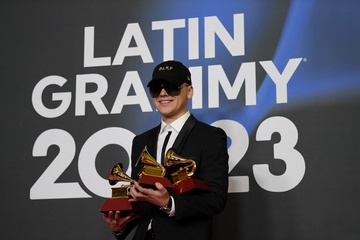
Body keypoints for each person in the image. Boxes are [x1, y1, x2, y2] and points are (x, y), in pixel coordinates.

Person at [103, 60, 229, 240]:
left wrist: (169, 203)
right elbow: (144, 200)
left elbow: (216, 199)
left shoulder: (210, 137)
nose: (163, 93)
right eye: (156, 88)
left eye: (171, 86)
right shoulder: (140, 141)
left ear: (189, 91)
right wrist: (120, 227)